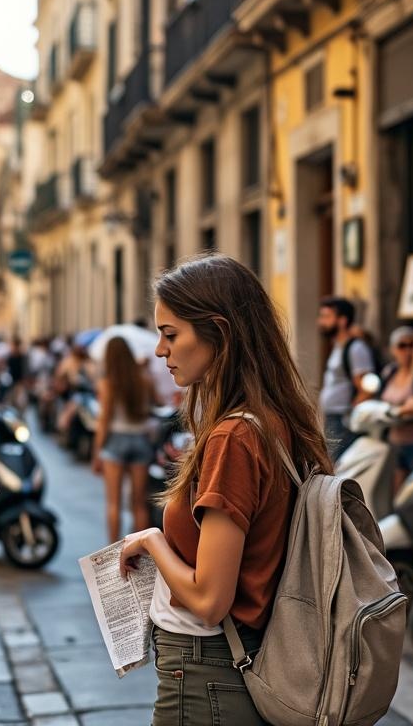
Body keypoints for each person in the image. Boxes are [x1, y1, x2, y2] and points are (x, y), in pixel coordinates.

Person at [119, 254, 333, 726]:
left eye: (171, 334)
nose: (159, 350)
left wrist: (152, 541)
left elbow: (210, 598)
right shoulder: (276, 419)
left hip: (205, 671)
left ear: (219, 332)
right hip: (234, 662)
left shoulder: (234, 438)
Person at [92, 336, 157, 543]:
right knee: (139, 504)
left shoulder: (107, 384)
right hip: (141, 439)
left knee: (114, 503)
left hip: (116, 441)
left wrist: (97, 453)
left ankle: (113, 553)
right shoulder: (144, 380)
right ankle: (141, 550)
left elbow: (104, 421)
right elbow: (157, 405)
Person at [317, 296, 376, 461]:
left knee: (339, 469)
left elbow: (367, 388)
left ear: (342, 321)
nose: (321, 321)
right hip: (334, 418)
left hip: (343, 421)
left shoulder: (356, 349)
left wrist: (350, 416)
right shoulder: (338, 347)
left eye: (326, 317)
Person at [378, 326, 413, 492]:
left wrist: (404, 410)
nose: (408, 350)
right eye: (402, 345)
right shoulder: (390, 372)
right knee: (395, 495)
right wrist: (403, 408)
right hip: (393, 444)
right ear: (393, 349)